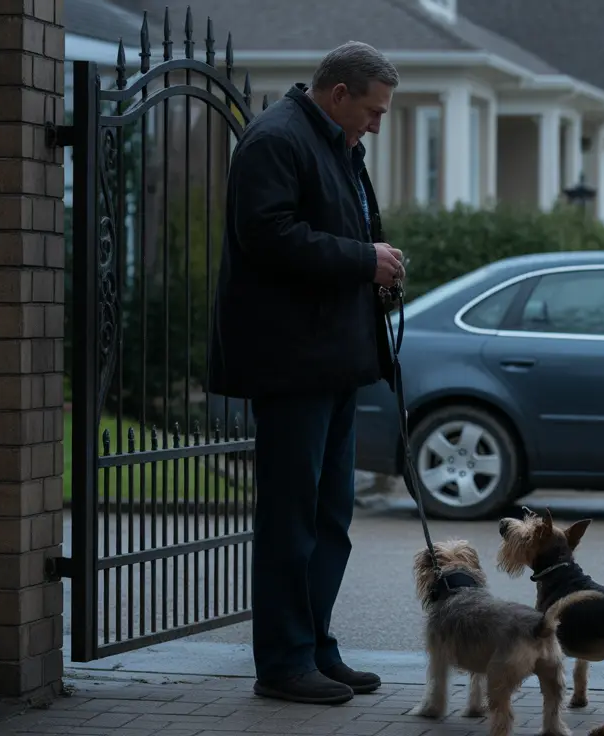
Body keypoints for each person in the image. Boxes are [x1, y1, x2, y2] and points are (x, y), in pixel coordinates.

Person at [207, 41, 406, 706]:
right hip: (292, 365)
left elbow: (336, 236)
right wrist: (362, 260)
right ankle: (284, 663)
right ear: (339, 93)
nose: (376, 124)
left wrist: (373, 268)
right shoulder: (276, 140)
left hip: (334, 360)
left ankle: (316, 647)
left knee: (329, 517)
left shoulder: (337, 142)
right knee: (291, 521)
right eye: (372, 112)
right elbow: (267, 237)